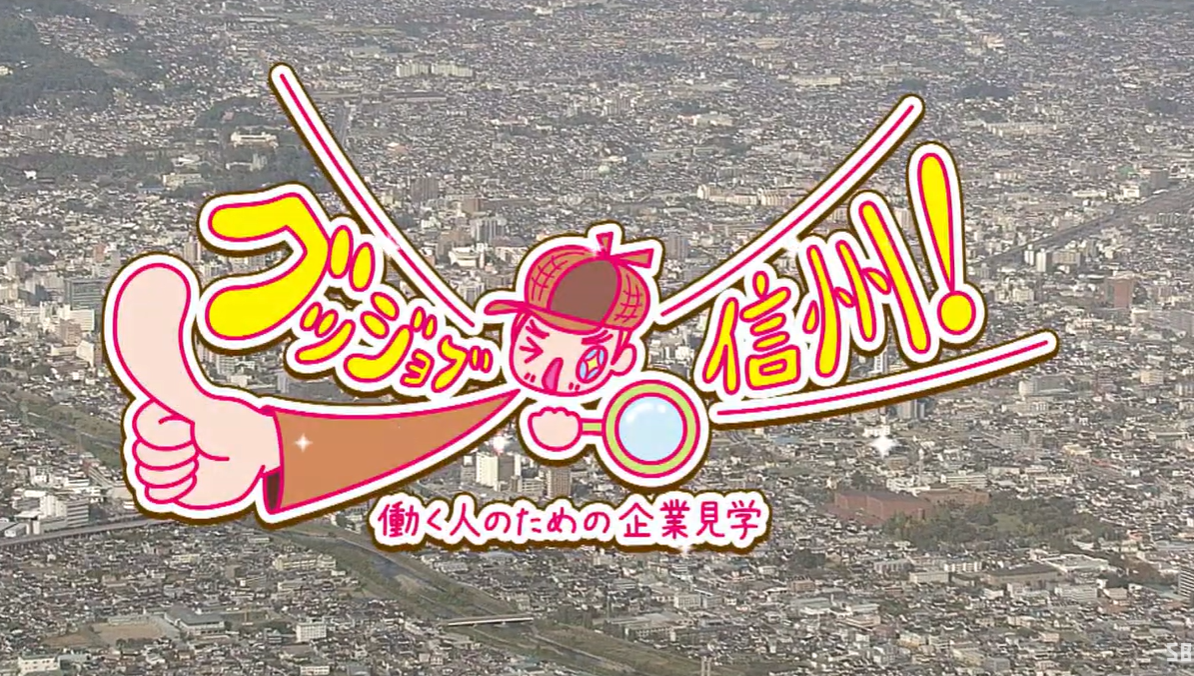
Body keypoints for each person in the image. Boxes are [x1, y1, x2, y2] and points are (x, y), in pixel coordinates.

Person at [106, 224, 662, 523]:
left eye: (582, 357)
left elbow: (415, 436)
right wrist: (263, 447)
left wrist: (266, 450)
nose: (550, 367)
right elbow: (410, 435)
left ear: (618, 360)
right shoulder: (479, 387)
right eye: (535, 342)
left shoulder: (629, 410)